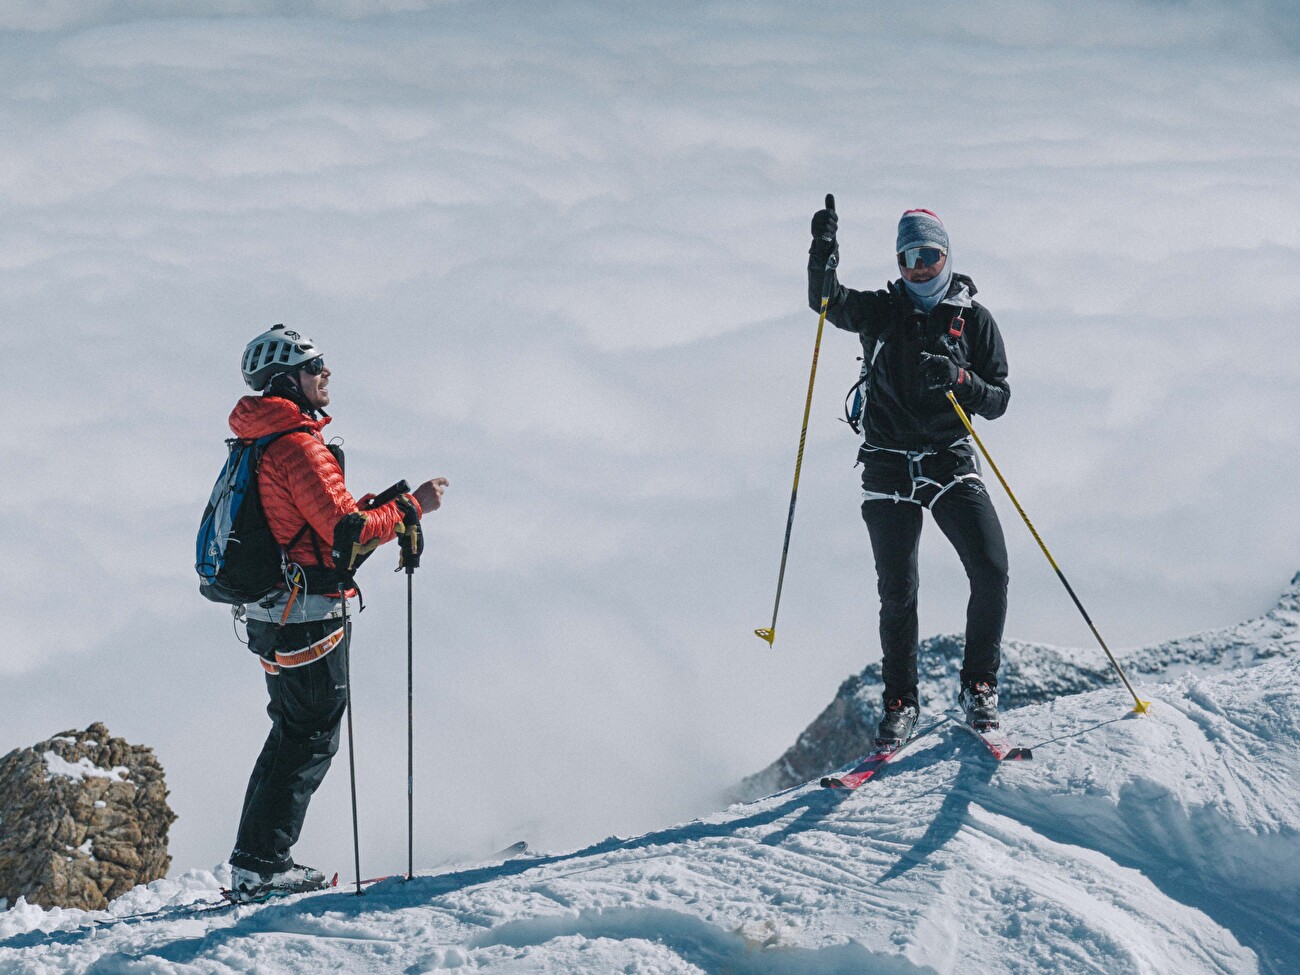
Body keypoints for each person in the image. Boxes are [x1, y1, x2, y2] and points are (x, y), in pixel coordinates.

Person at [225, 323, 448, 901]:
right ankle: (263, 866)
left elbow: (322, 525)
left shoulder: (262, 440)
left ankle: (256, 860)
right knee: (310, 738)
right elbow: (347, 533)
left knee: (291, 732)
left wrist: (385, 509)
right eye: (312, 366)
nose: (324, 373)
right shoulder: (298, 445)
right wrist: (413, 507)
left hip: (273, 610)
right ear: (286, 380)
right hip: (306, 616)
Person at [807, 205, 1011, 747]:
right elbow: (826, 302)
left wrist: (960, 378)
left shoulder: (975, 320)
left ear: (947, 255)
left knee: (990, 569)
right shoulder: (881, 311)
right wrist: (821, 255)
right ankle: (901, 703)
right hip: (888, 462)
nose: (918, 267)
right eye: (908, 258)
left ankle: (979, 686)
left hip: (948, 459)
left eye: (928, 255)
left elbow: (998, 400)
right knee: (898, 592)